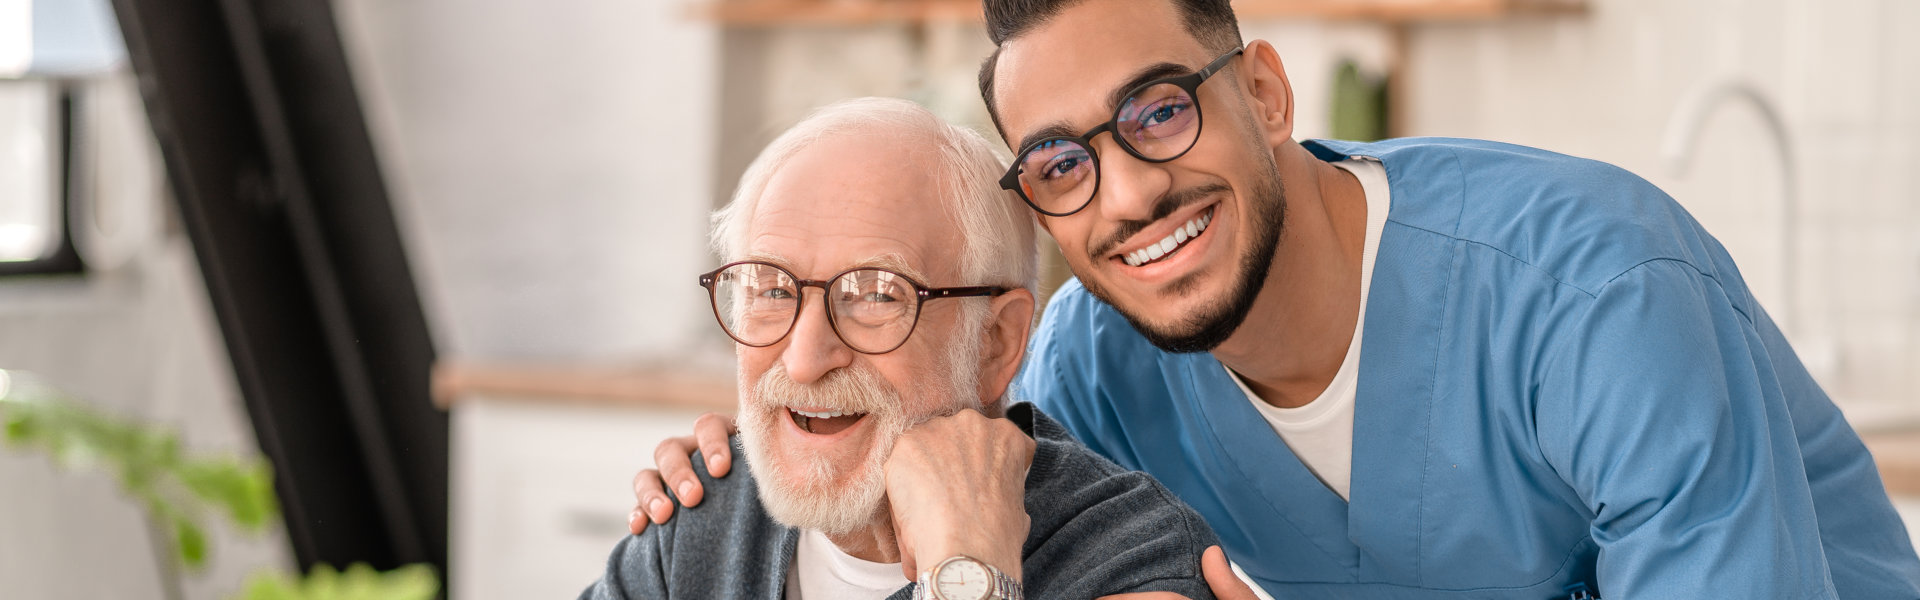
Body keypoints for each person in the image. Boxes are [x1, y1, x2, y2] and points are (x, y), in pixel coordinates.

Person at [632, 1, 1920, 598]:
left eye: (1158, 111)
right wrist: (746, 457)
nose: (1127, 195)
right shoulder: (1093, 364)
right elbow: (928, 438)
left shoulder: (1596, 296)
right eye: (1065, 164)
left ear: (1264, 94)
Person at [583, 97, 1224, 600]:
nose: (804, 361)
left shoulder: (1131, 558)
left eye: (876, 294)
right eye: (770, 289)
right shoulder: (701, 513)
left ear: (996, 342)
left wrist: (969, 572)